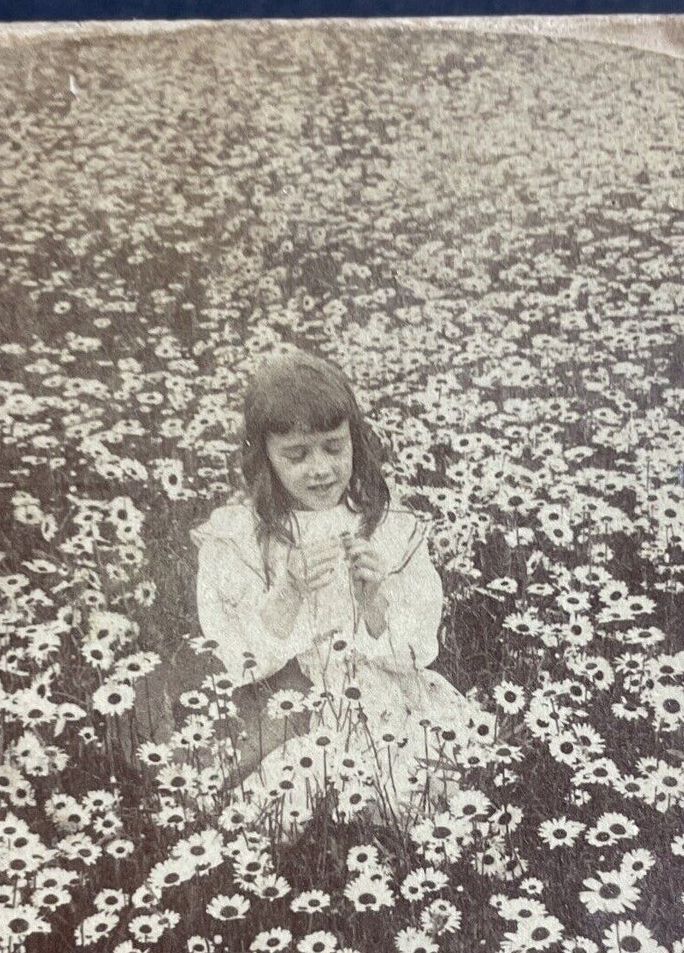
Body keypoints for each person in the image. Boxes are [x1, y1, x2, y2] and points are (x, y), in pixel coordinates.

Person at [192, 348, 491, 826]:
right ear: (264, 457)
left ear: (357, 441)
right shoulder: (240, 541)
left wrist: (375, 598)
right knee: (270, 811)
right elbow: (235, 653)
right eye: (296, 455)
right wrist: (288, 592)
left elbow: (418, 646)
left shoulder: (389, 529)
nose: (320, 469)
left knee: (410, 792)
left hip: (380, 690)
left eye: (334, 447)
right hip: (283, 698)